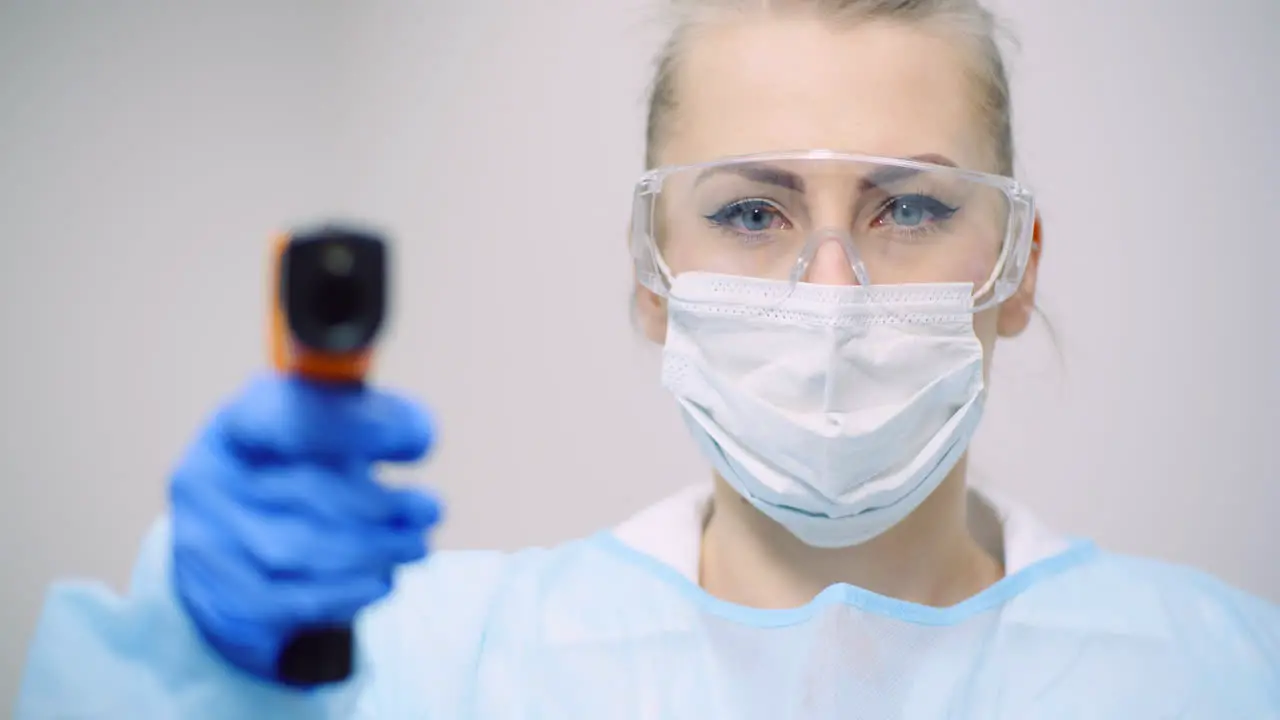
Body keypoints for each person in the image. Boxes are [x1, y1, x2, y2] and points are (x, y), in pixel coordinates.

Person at [16, 0, 1280, 717]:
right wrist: (205, 663)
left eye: (907, 209)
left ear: (1016, 269)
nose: (827, 294)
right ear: (648, 275)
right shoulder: (427, 668)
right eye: (748, 214)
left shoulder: (1218, 675)